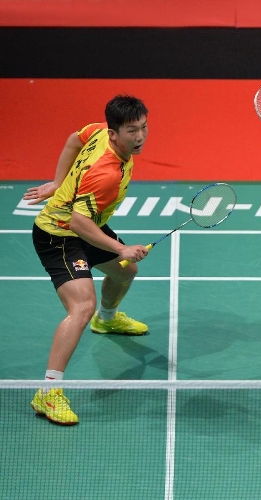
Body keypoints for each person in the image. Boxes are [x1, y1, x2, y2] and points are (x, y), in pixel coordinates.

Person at [23, 95, 151, 425]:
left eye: (144, 127)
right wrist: (120, 248)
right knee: (81, 307)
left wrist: (58, 182)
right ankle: (48, 392)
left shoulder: (96, 131)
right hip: (59, 236)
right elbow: (78, 223)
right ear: (113, 133)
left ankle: (106, 320)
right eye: (131, 131)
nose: (139, 137)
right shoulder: (105, 174)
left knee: (127, 272)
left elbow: (72, 140)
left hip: (86, 224)